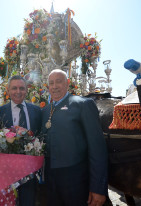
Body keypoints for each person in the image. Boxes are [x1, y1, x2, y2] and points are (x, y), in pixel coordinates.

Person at [41, 69, 108, 206]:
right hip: (51, 181)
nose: (54, 86)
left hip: (76, 181)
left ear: (67, 83)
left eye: (58, 82)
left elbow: (97, 149)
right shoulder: (45, 110)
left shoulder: (83, 104)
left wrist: (98, 188)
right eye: (51, 83)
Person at [0, 75, 42, 206]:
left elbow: (40, 136)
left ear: (26, 90)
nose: (18, 92)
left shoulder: (37, 111)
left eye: (21, 88)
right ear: (8, 90)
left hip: (30, 171)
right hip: (6, 172)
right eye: (14, 88)